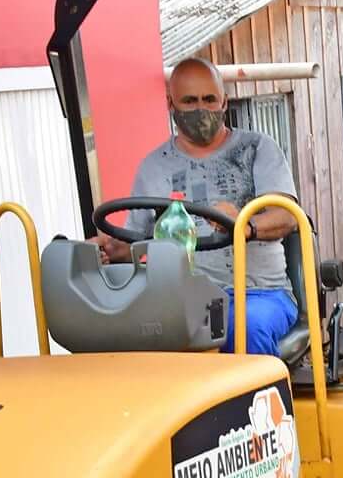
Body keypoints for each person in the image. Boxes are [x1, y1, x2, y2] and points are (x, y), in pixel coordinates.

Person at [106, 57, 302, 356]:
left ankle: (253, 400)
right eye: (190, 101)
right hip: (185, 296)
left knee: (243, 327)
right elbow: (135, 239)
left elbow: (287, 216)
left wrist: (245, 225)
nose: (201, 109)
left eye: (209, 99)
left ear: (224, 102)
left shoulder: (257, 149)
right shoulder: (154, 167)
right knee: (138, 332)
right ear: (171, 104)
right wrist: (106, 249)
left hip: (259, 293)